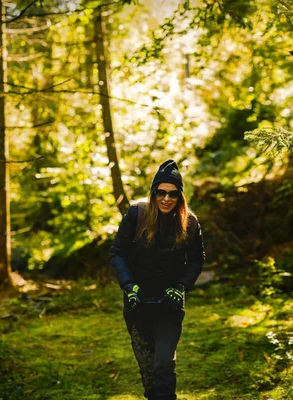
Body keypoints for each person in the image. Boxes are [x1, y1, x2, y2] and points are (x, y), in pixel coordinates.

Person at [110, 159, 205, 400]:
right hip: (136, 303)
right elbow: (117, 252)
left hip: (169, 304)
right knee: (148, 369)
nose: (166, 198)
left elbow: (196, 259)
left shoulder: (190, 223)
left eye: (173, 193)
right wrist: (129, 286)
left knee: (163, 364)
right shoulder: (136, 214)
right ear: (153, 193)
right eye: (161, 192)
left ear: (180, 196)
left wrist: (181, 287)